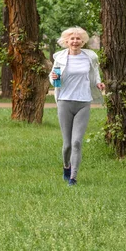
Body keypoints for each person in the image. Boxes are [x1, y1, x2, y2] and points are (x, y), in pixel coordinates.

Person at [49, 27, 105, 186]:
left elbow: (95, 75)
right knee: (67, 144)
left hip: (83, 103)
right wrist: (53, 79)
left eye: (78, 38)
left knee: (77, 142)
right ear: (66, 41)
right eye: (72, 38)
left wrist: (98, 84)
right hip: (64, 102)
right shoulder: (59, 58)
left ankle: (73, 178)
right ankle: (66, 166)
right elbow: (54, 79)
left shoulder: (90, 57)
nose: (75, 41)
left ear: (83, 41)